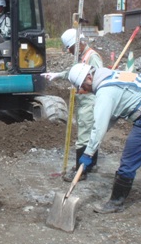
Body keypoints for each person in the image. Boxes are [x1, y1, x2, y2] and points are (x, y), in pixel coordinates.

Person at [67, 63, 141, 214]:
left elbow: (100, 125)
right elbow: (112, 116)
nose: (83, 90)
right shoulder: (113, 75)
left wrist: (88, 153)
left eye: (82, 86)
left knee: (128, 162)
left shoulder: (105, 92)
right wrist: (95, 141)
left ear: (89, 78)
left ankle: (116, 202)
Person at [42, 29, 103, 182]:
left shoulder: (92, 57)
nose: (69, 51)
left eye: (69, 48)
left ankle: (80, 171)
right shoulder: (82, 57)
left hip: (89, 101)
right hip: (84, 100)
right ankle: (90, 164)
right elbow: (74, 72)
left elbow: (97, 78)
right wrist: (57, 75)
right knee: (90, 133)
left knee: (83, 135)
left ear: (77, 44)